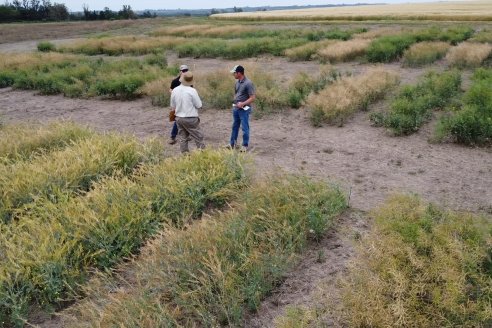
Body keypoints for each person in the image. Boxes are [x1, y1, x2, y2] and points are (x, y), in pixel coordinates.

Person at [170, 71, 205, 153]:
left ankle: (185, 157)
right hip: (190, 118)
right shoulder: (192, 91)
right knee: (198, 137)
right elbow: (199, 105)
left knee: (183, 138)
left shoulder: (175, 90)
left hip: (179, 117)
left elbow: (172, 105)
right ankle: (203, 155)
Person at [228, 65, 256, 152]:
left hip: (244, 109)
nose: (233, 75)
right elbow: (236, 94)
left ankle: (245, 145)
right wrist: (235, 102)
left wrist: (242, 103)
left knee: (244, 127)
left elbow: (252, 97)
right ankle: (232, 144)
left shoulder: (248, 83)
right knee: (235, 126)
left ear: (239, 73)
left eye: (234, 73)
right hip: (236, 109)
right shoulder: (237, 82)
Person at [168, 64, 190, 145]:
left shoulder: (189, 81)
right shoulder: (175, 81)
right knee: (178, 120)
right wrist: (175, 94)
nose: (185, 72)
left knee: (186, 118)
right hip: (178, 104)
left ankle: (185, 136)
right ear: (180, 71)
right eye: (183, 71)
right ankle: (173, 137)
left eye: (186, 71)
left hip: (187, 103)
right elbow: (170, 89)